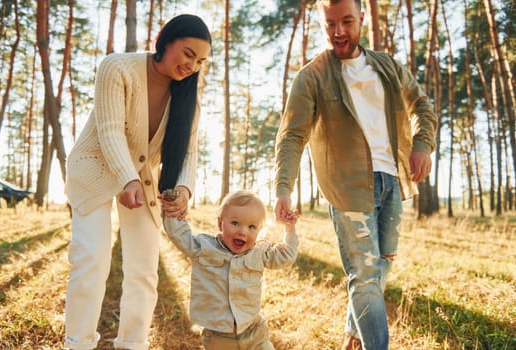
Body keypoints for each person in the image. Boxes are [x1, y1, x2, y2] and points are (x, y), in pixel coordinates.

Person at [273, 1, 438, 349]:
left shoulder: (387, 66)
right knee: (364, 277)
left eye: (347, 21)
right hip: (347, 188)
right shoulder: (312, 76)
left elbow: (421, 104)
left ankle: (353, 334)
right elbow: (291, 135)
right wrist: (284, 186)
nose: (339, 32)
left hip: (391, 179)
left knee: (381, 267)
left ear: (362, 18)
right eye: (330, 24)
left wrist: (422, 143)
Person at [63, 14, 212, 350]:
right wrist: (126, 177)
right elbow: (110, 129)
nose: (192, 65)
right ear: (166, 40)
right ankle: (78, 343)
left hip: (141, 181)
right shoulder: (117, 68)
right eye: (188, 53)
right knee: (92, 260)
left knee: (144, 271)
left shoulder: (189, 100)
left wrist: (184, 189)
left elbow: (189, 152)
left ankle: (132, 344)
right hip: (95, 169)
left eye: (200, 61)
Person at [161, 190, 299, 350]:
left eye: (252, 227)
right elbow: (180, 235)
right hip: (218, 337)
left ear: (259, 230)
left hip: (254, 331)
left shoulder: (259, 253)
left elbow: (286, 256)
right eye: (235, 223)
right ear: (221, 224)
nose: (242, 231)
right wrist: (172, 207)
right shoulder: (204, 248)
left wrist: (290, 228)